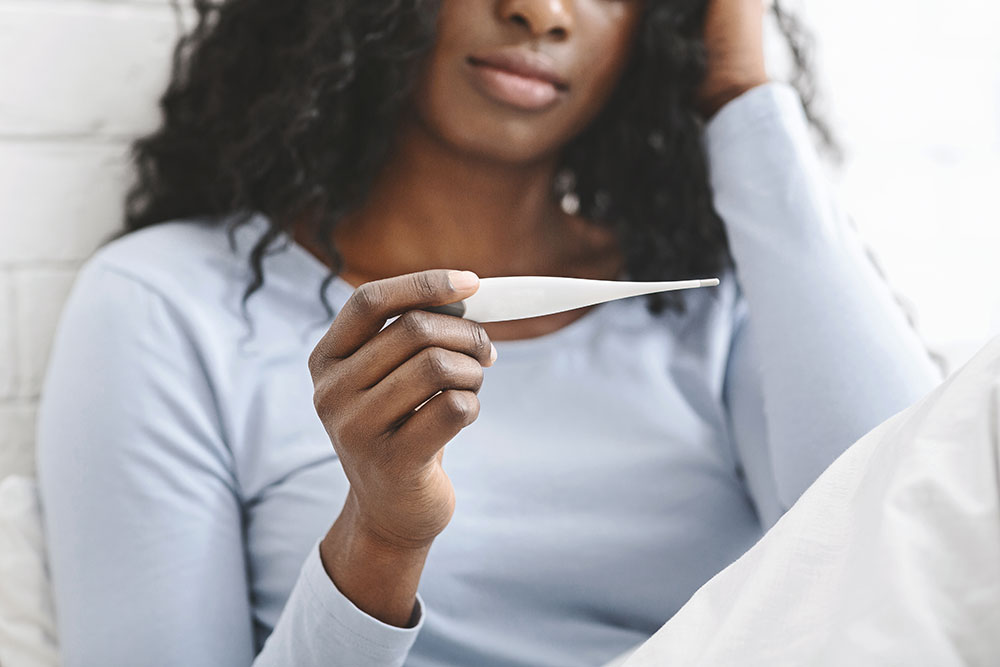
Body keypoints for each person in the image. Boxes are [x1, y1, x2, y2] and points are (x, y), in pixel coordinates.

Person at [35, 1, 941, 666]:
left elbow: (912, 537)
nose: (540, 12)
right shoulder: (167, 304)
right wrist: (381, 539)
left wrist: (743, 95)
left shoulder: (728, 304)